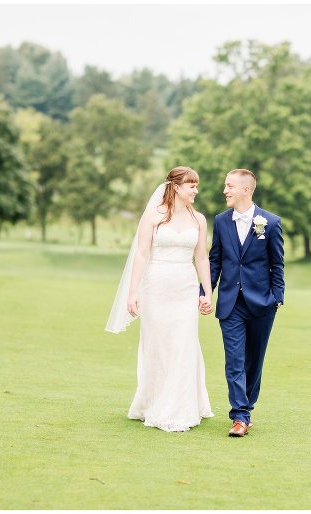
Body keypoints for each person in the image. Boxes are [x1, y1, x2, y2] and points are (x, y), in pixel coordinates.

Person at [106, 166, 214, 432]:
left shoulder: (199, 219)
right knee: (157, 346)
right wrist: (133, 292)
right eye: (192, 186)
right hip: (155, 287)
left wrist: (207, 292)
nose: (196, 191)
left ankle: (180, 408)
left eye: (196, 186)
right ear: (176, 187)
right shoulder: (154, 216)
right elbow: (142, 254)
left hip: (185, 288)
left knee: (183, 345)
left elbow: (201, 257)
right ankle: (151, 403)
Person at [202, 169, 285, 437]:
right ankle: (239, 415)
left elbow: (277, 264)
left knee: (254, 362)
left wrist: (277, 298)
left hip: (262, 303)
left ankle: (246, 408)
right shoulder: (221, 221)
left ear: (246, 190)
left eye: (229, 186)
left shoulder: (270, 222)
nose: (224, 190)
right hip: (230, 303)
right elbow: (215, 260)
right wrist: (206, 291)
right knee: (234, 361)